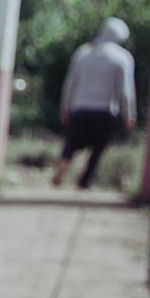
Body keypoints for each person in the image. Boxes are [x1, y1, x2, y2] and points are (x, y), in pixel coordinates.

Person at [52, 17, 138, 190]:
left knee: (72, 142)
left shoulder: (83, 53)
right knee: (97, 149)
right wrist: (129, 114)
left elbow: (70, 83)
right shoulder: (122, 57)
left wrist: (65, 107)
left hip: (80, 107)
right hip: (104, 111)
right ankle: (84, 181)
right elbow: (125, 90)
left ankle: (65, 160)